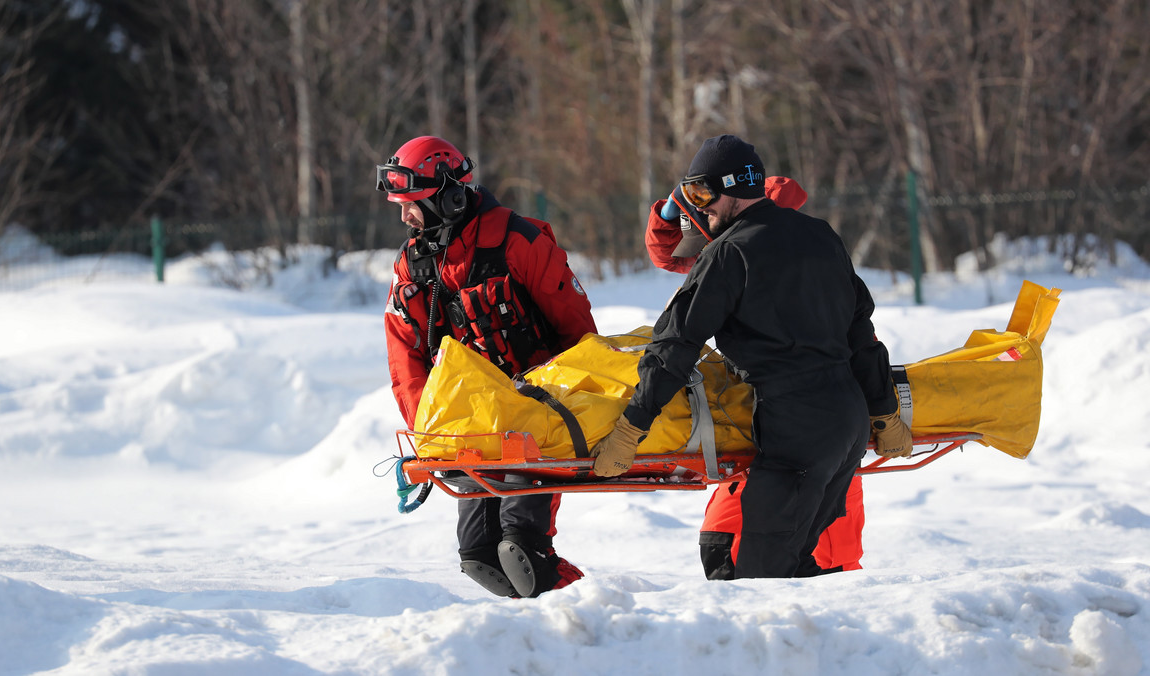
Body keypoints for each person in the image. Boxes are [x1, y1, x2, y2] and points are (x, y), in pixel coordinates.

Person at [592, 134, 912, 579]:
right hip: (847, 427)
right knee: (796, 568)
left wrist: (633, 426)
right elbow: (861, 335)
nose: (699, 208)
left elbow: (674, 345)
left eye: (703, 194)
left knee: (764, 586)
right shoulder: (820, 236)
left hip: (796, 434)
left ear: (733, 190)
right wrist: (882, 411)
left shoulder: (729, 253)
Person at [379, 135, 596, 598]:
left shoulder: (519, 241)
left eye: (413, 203)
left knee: (521, 553)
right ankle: (526, 642)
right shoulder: (413, 265)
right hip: (470, 427)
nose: (404, 217)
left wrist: (572, 414)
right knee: (479, 558)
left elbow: (579, 336)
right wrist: (429, 428)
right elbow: (404, 354)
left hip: (535, 419)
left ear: (451, 196)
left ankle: (592, 618)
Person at [644, 174, 869, 577]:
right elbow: (668, 252)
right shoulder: (730, 243)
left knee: (811, 564)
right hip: (768, 431)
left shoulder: (768, 242)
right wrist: (672, 206)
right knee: (726, 549)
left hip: (812, 426)